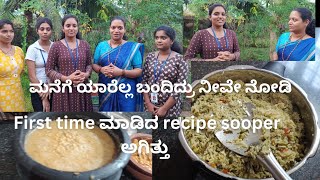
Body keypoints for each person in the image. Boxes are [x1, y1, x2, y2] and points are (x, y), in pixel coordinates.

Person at [93, 16, 144, 112]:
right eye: (113, 27)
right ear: (109, 29)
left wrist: (121, 72)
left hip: (126, 90)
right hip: (105, 88)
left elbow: (139, 71)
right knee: (106, 120)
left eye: (120, 28)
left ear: (124, 30)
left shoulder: (132, 47)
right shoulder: (101, 46)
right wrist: (101, 69)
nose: (116, 30)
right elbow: (94, 65)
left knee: (126, 120)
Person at [46, 15, 93, 111]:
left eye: (74, 26)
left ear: (77, 28)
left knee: (82, 121)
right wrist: (66, 78)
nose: (71, 28)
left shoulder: (85, 45)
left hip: (82, 89)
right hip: (63, 91)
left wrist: (86, 74)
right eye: (68, 26)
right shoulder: (56, 46)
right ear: (63, 28)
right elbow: (49, 70)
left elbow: (89, 64)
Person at [142, 26, 188, 118]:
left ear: (172, 41)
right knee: (148, 131)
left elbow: (179, 87)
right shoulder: (150, 57)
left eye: (163, 38)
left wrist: (164, 108)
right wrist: (148, 104)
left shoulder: (180, 59)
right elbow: (144, 81)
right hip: (150, 106)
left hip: (170, 109)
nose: (159, 40)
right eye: (157, 38)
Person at [26, 17, 53, 112]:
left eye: (48, 29)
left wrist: (49, 87)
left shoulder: (56, 47)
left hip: (54, 87)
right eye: (42, 29)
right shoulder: (32, 48)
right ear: (37, 30)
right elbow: (32, 76)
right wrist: (44, 96)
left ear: (51, 31)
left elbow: (57, 70)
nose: (45, 32)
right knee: (41, 119)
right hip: (37, 89)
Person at [0, 19, 26, 112]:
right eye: (4, 31)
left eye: (11, 31)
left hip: (17, 96)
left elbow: (21, 72)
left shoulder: (19, 51)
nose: (9, 34)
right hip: (2, 99)